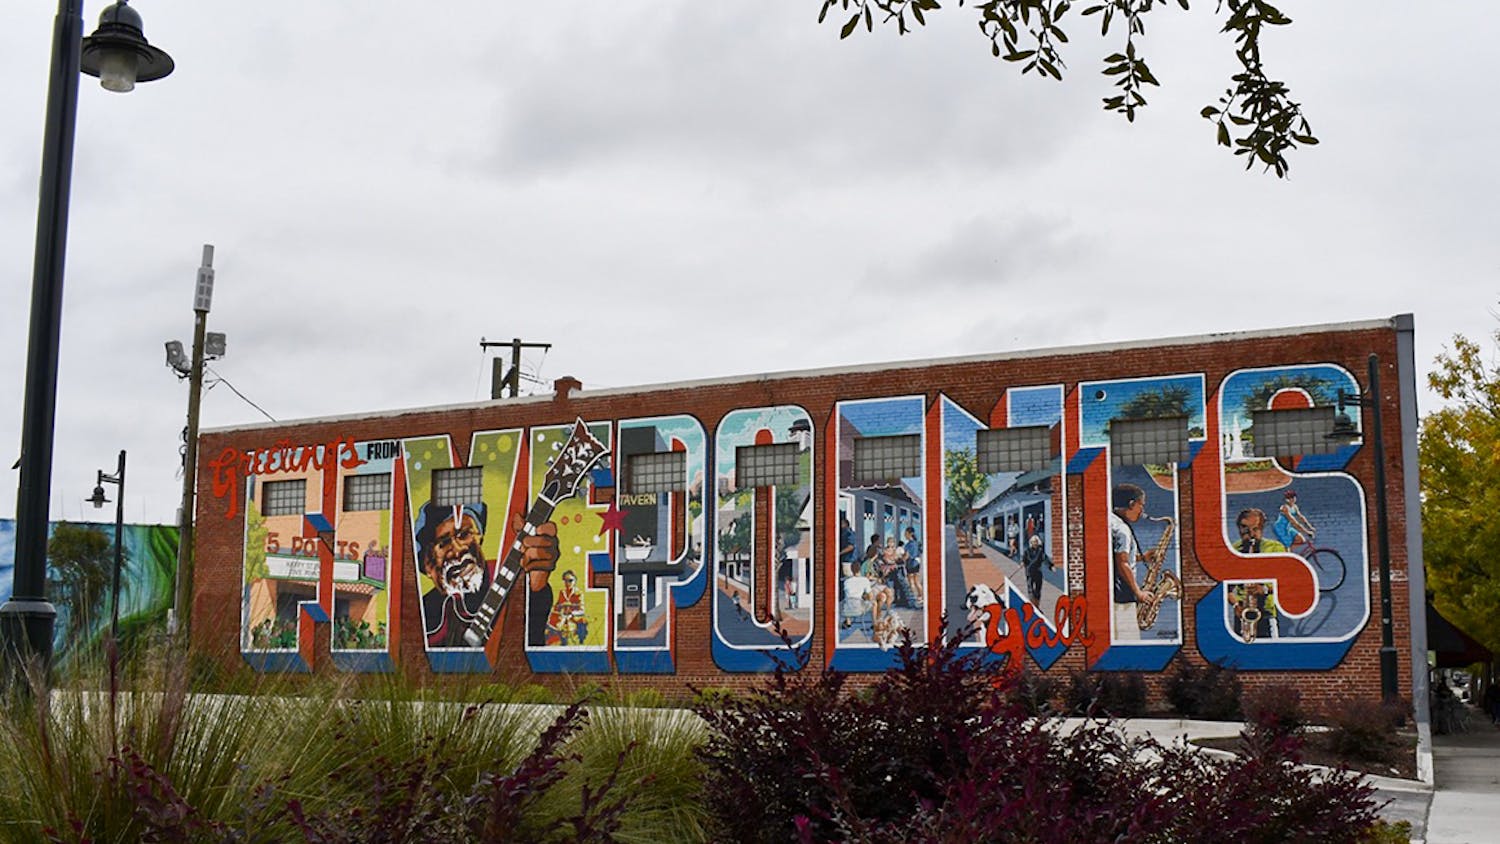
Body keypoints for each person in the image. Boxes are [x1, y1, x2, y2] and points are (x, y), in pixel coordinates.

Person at [415, 501, 558, 648]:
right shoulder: (421, 612)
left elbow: (531, 627)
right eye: (443, 543)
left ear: (480, 537)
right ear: (427, 565)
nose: (458, 550)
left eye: (465, 535)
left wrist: (536, 588)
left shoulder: (510, 577)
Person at [1109, 483, 1161, 640]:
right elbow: (1122, 563)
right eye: (1141, 506)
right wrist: (1138, 593)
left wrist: (1142, 557)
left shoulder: (1109, 522)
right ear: (1131, 504)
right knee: (1129, 641)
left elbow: (1114, 558)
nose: (1142, 511)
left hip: (1111, 595)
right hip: (1123, 597)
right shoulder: (1122, 530)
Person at [546, 570, 587, 645]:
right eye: (565, 580)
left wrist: (572, 612)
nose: (567, 583)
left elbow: (582, 610)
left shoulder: (578, 593)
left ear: (575, 581)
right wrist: (560, 606)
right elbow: (557, 606)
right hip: (562, 617)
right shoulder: (562, 592)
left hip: (573, 618)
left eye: (570, 580)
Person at [1021, 534, 1053, 607]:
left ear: (1038, 542)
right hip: (1029, 572)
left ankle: (1037, 605)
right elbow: (1024, 559)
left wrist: (1050, 566)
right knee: (1030, 589)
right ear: (1030, 543)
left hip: (1038, 572)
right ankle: (1032, 606)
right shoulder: (1027, 551)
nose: (1034, 543)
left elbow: (1045, 559)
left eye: (1035, 542)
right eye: (1033, 542)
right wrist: (1022, 562)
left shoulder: (1040, 551)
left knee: (1038, 590)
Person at [902, 527, 924, 607]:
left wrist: (901, 559)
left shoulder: (908, 545)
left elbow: (906, 556)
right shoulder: (916, 543)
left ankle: (914, 597)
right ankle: (921, 596)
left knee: (911, 582)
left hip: (910, 564)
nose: (905, 535)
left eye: (906, 533)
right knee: (917, 581)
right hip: (917, 563)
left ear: (909, 534)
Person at [839, 514, 858, 578]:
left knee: (849, 578)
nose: (839, 525)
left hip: (849, 560)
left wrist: (839, 553)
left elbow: (851, 547)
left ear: (845, 524)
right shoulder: (845, 533)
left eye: (841, 524)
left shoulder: (848, 533)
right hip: (847, 560)